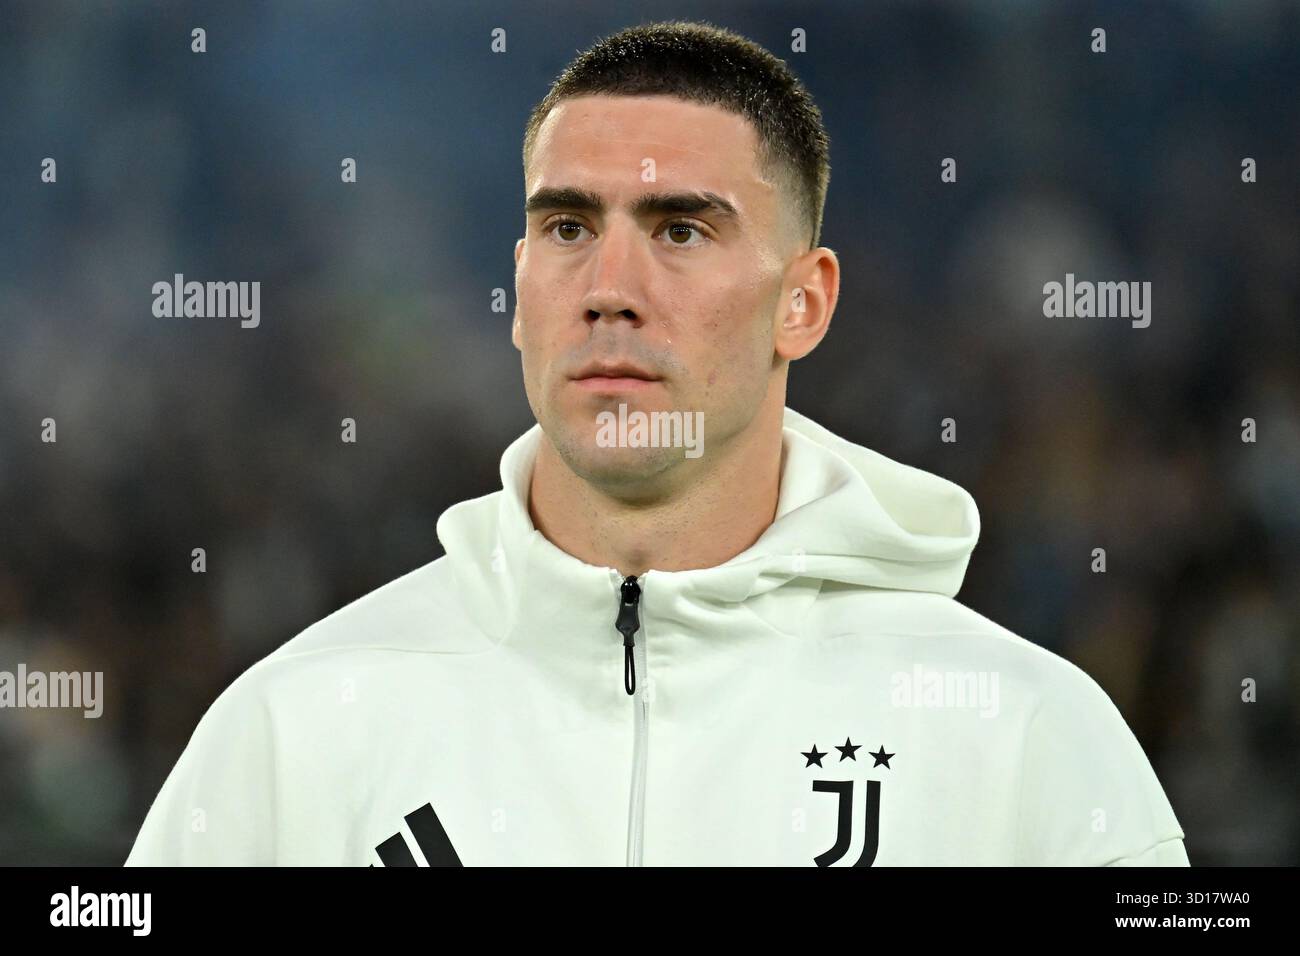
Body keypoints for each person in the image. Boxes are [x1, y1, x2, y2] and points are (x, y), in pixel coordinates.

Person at [125, 20, 1188, 866]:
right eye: (568, 228)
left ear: (804, 303)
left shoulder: (1023, 738)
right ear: (519, 288)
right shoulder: (293, 729)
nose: (609, 290)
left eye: (680, 229)